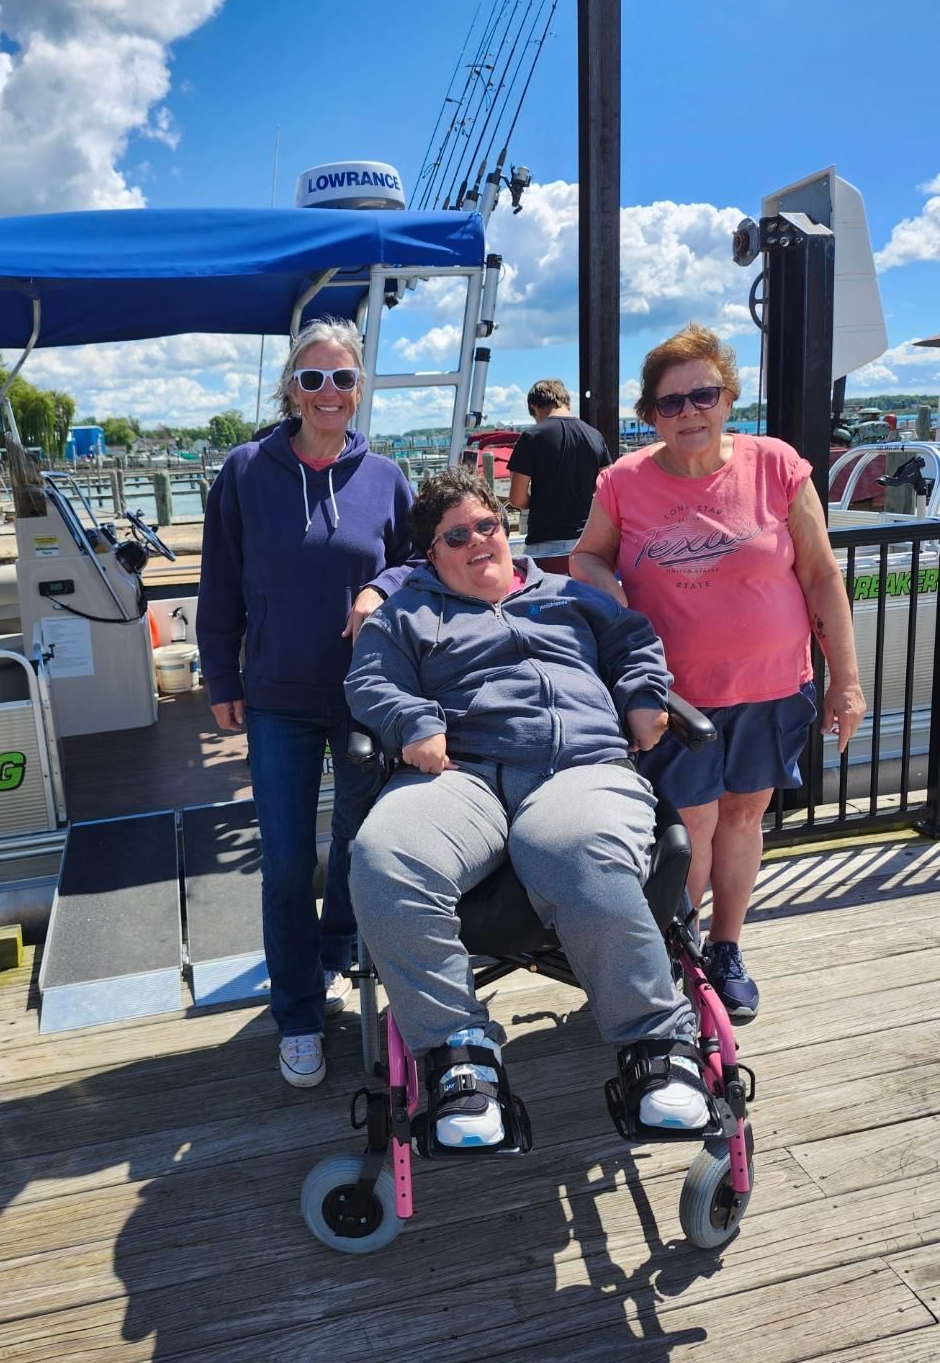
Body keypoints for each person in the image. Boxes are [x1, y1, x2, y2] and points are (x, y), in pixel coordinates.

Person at [346, 467, 709, 1151]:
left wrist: (642, 692)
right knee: (382, 855)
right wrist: (413, 721)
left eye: (489, 525)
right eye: (458, 535)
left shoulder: (570, 596)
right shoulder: (405, 615)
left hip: (579, 766)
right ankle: (461, 1057)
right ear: (433, 554)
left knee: (568, 845)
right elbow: (370, 680)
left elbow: (634, 641)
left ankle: (659, 1047)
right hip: (464, 773)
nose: (480, 541)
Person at [569, 323, 866, 1021]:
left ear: (727, 398)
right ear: (650, 417)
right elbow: (585, 557)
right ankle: (682, 948)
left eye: (702, 395)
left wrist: (845, 680)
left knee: (742, 816)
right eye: (670, 404)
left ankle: (725, 949)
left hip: (773, 685)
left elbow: (821, 574)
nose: (688, 413)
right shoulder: (623, 483)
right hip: (678, 700)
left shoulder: (777, 466)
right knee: (692, 827)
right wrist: (603, 588)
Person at [197, 318, 417, 1089]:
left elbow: (416, 566)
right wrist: (220, 677)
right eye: (314, 379)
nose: (330, 393)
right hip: (278, 701)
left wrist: (376, 586)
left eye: (344, 379)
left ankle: (332, 960)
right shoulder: (246, 470)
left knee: (360, 853)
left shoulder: (387, 477)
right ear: (291, 386)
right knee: (288, 862)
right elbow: (218, 582)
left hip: (366, 697)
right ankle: (296, 1012)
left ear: (360, 389)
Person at [507, 378, 611, 573]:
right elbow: (606, 490)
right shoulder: (594, 435)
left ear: (535, 407)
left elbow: (516, 498)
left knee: (546, 602)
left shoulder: (531, 437)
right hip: (588, 543)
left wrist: (540, 501)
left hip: (545, 543)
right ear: (566, 402)